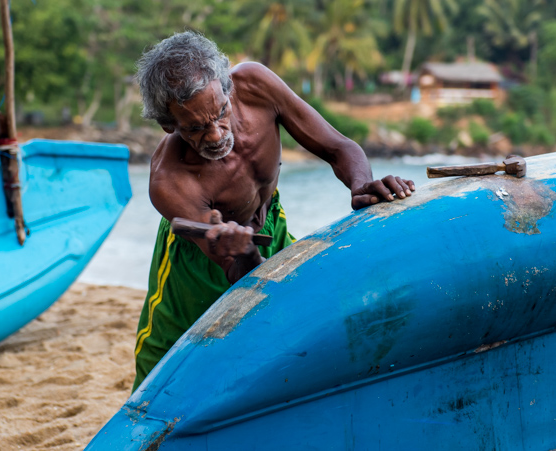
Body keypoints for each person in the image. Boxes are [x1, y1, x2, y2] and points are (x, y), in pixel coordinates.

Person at [131, 31, 416, 390]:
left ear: (229, 87)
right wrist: (243, 253)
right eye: (196, 128)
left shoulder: (256, 85)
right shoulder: (169, 182)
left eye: (221, 113)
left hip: (270, 224)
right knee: (168, 366)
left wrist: (361, 186)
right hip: (200, 259)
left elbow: (339, 148)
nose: (216, 135)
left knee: (290, 338)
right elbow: (237, 271)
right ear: (169, 125)